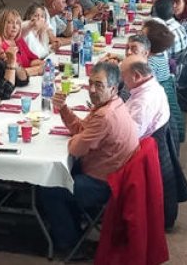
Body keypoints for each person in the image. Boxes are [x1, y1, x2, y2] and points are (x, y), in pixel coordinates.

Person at [41, 62, 139, 254]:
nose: (92, 90)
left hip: (104, 184)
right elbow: (81, 131)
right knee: (61, 173)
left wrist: (78, 139)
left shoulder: (105, 116)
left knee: (49, 187)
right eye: (90, 83)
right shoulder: (114, 104)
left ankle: (69, 244)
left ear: (113, 87)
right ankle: (71, 227)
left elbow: (76, 149)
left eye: (99, 85)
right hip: (114, 175)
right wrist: (64, 110)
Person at [119, 54, 170, 139]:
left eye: (123, 76)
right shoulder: (151, 84)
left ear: (137, 76)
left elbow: (129, 138)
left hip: (139, 144)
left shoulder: (142, 103)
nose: (121, 79)